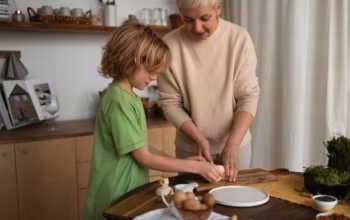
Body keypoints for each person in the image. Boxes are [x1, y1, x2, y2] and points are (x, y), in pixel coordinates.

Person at [84, 20, 221, 220]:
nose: (155, 77)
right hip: (114, 197)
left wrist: (182, 161)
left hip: (128, 194)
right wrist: (195, 167)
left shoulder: (130, 97)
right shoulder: (119, 100)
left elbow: (142, 148)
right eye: (149, 70)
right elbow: (144, 158)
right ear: (128, 60)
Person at [157, 0, 260, 182]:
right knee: (193, 205)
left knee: (238, 204)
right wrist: (199, 138)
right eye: (187, 19)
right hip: (191, 150)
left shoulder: (238, 39)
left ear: (218, 8)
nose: (197, 28)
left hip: (237, 145)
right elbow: (170, 104)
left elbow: (248, 97)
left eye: (205, 18)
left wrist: (233, 143)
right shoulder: (169, 45)